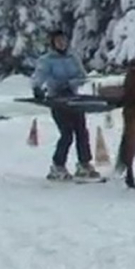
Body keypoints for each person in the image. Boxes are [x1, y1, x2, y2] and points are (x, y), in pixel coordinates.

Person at [31, 29, 101, 181]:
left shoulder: (73, 57)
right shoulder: (47, 60)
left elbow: (82, 76)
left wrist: (73, 82)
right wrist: (37, 88)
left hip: (73, 97)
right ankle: (58, 165)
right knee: (67, 133)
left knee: (82, 131)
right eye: (58, 41)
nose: (62, 43)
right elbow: (39, 76)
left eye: (64, 40)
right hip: (57, 99)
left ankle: (84, 164)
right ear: (53, 43)